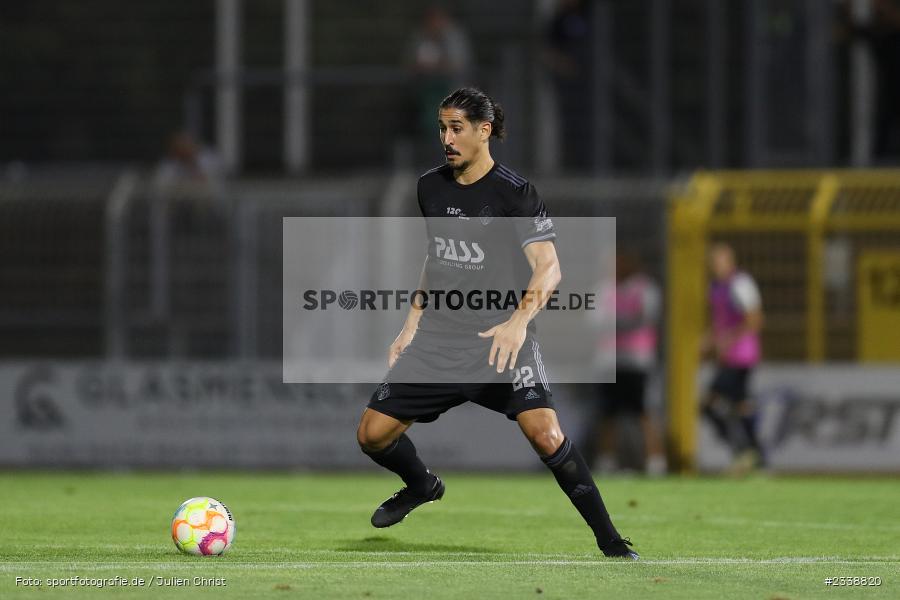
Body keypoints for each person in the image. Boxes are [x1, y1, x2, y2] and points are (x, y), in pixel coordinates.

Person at [355, 87, 638, 560]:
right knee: (372, 434)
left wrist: (518, 322)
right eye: (442, 128)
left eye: (457, 128)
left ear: (484, 131)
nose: (447, 138)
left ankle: (611, 542)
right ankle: (422, 484)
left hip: (500, 340)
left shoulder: (514, 193)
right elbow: (436, 258)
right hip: (441, 339)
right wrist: (410, 324)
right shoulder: (430, 187)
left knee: (546, 434)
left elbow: (549, 268)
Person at [591, 251, 666, 475]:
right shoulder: (604, 289)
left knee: (644, 411)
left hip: (637, 360)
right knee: (607, 414)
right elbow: (593, 321)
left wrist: (615, 322)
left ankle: (655, 461)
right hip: (609, 361)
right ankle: (606, 460)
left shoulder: (645, 288)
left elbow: (645, 317)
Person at [701, 243, 765, 473]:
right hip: (728, 357)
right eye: (713, 262)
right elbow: (720, 321)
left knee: (710, 404)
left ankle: (745, 452)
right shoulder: (716, 287)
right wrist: (710, 339)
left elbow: (755, 319)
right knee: (741, 406)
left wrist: (729, 338)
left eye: (719, 261)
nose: (715, 266)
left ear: (730, 261)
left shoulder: (741, 284)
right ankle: (754, 456)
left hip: (743, 355)